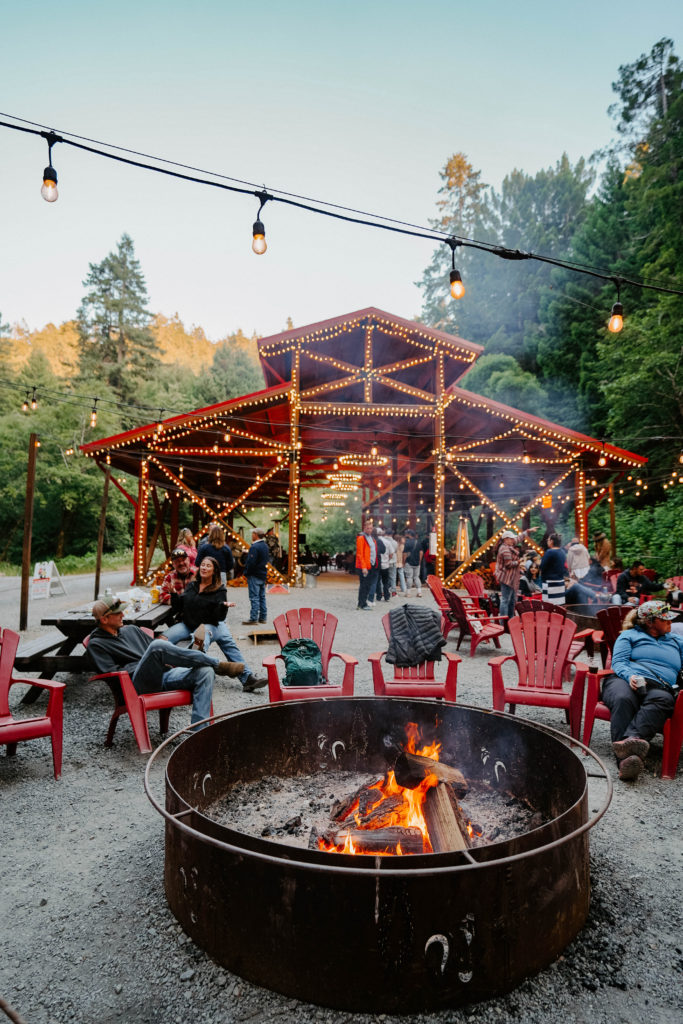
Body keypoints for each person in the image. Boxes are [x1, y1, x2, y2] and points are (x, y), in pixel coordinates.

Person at [86, 595, 244, 730]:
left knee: (204, 672)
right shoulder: (97, 644)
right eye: (117, 613)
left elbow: (159, 652)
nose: (122, 614)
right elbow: (113, 674)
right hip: (136, 685)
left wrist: (164, 661)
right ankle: (213, 663)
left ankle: (199, 734)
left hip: (163, 674)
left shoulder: (130, 630)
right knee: (157, 646)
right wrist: (145, 664)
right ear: (104, 619)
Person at [601, 600, 683, 781]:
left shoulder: (677, 641)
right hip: (625, 680)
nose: (671, 622)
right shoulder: (629, 635)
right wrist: (630, 675)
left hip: (660, 686)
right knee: (623, 698)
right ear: (650, 622)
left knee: (663, 700)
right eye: (665, 620)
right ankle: (627, 759)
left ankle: (629, 744)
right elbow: (619, 662)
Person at [166, 556, 266, 693]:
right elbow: (179, 607)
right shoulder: (192, 586)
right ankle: (219, 667)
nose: (204, 568)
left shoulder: (220, 590)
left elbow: (218, 617)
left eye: (208, 566)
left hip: (211, 624)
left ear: (215, 571)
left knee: (205, 637)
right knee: (163, 638)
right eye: (202, 565)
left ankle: (246, 677)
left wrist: (223, 606)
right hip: (189, 624)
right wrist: (173, 594)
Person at [495, 527, 537, 620]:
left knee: (512, 600)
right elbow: (508, 564)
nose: (513, 540)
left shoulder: (509, 544)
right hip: (506, 578)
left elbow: (519, 538)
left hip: (512, 577)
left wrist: (528, 530)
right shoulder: (504, 549)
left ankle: (510, 619)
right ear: (506, 539)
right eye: (511, 538)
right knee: (506, 600)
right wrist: (520, 561)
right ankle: (504, 621)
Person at [243, 527, 269, 625]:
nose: (251, 535)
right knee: (262, 597)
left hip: (254, 574)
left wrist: (246, 572)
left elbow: (251, 563)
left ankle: (253, 618)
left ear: (256, 535)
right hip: (262, 574)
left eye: (253, 533)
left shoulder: (254, 547)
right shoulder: (265, 546)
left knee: (254, 597)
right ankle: (263, 617)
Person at [355, 521, 380, 610]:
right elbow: (360, 554)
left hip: (371, 565)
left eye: (371, 528)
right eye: (368, 528)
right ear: (364, 528)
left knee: (367, 585)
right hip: (365, 566)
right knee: (364, 585)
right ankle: (362, 604)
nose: (370, 530)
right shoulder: (361, 538)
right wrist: (364, 567)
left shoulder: (371, 538)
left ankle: (362, 602)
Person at [540, 533, 567, 604]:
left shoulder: (549, 552)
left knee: (549, 606)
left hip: (550, 583)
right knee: (558, 605)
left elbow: (542, 566)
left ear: (551, 541)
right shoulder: (563, 552)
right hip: (560, 581)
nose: (547, 541)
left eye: (548, 540)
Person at [402, 529, 422, 597]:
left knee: (409, 577)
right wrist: (419, 561)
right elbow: (421, 552)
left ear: (409, 535)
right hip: (417, 563)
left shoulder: (407, 543)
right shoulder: (418, 542)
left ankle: (408, 593)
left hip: (409, 562)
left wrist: (403, 562)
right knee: (416, 577)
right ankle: (419, 592)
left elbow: (404, 554)